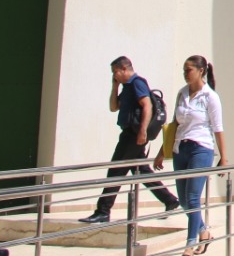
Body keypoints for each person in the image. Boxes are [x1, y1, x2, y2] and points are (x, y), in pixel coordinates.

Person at [81, 56, 180, 223]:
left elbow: (147, 106)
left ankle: (103, 211)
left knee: (116, 170)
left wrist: (142, 131)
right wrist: (115, 87)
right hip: (129, 133)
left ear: (124, 69)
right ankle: (169, 199)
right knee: (140, 170)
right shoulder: (127, 87)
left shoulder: (137, 83)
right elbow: (113, 107)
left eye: (115, 72)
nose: (114, 75)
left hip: (133, 135)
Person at [155, 55, 226, 256]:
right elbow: (174, 124)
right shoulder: (182, 93)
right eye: (184, 70)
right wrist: (162, 152)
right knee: (184, 201)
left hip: (201, 149)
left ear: (200, 71)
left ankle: (190, 244)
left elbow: (218, 128)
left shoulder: (210, 96)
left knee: (193, 198)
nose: (185, 74)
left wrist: (224, 157)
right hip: (181, 149)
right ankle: (204, 232)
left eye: (189, 70)